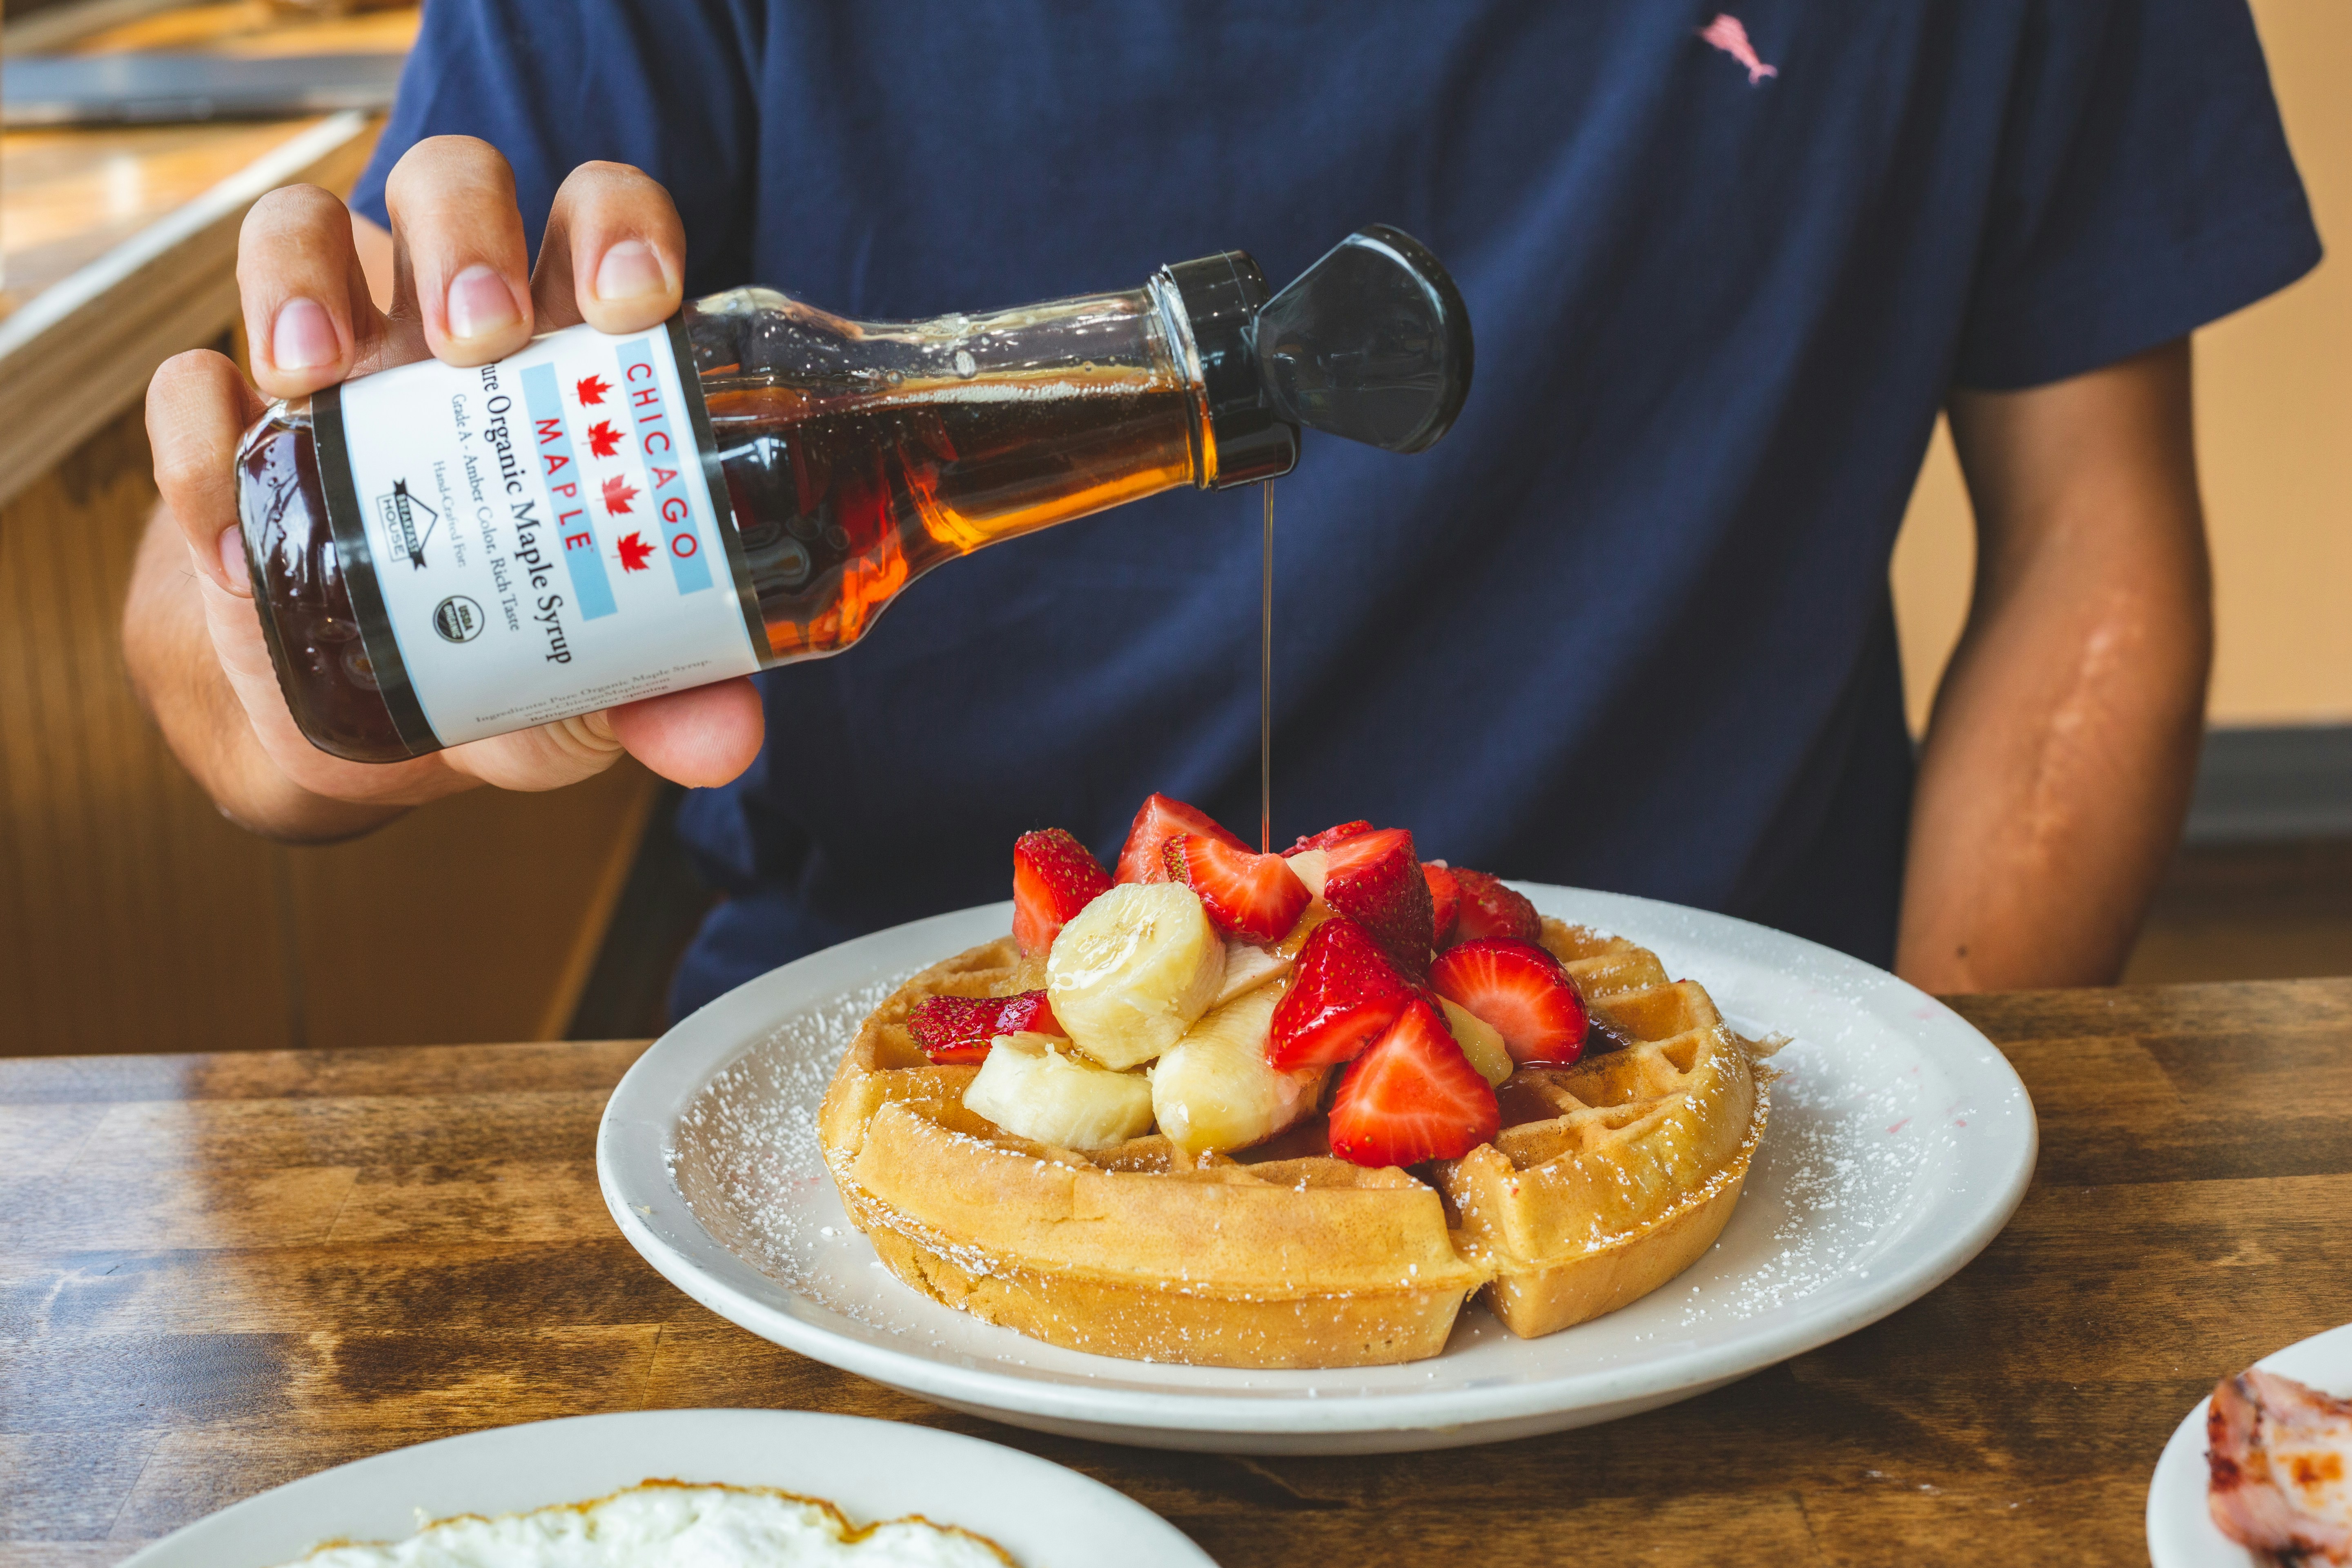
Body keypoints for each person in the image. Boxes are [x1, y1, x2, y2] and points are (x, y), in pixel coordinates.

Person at [127, 1, 2320, 1015]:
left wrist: (1926, 1125)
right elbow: (212, 683)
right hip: (863, 1095)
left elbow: (2088, 544)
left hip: (1733, 1054)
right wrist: (300, 650)